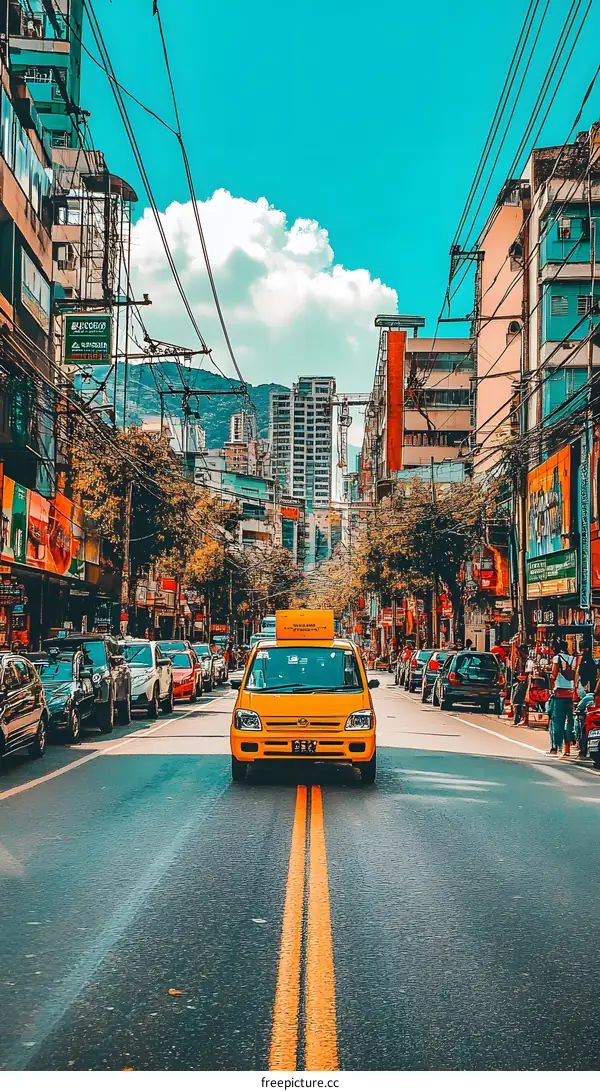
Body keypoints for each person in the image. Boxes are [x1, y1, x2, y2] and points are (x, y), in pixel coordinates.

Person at [549, 640, 577, 757]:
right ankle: (567, 749)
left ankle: (555, 747)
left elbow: (554, 675)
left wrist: (551, 687)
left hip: (559, 692)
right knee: (570, 721)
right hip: (571, 693)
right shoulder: (573, 659)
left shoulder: (557, 658)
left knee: (557, 721)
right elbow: (575, 675)